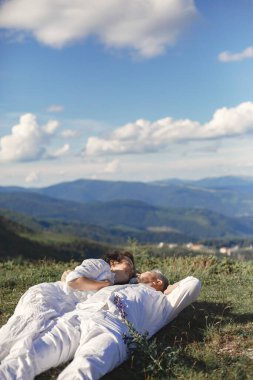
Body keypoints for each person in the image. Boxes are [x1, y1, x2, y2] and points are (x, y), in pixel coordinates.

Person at [0, 273, 201, 380]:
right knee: (32, 353)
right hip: (79, 317)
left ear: (158, 281)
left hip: (114, 330)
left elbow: (192, 283)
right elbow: (74, 283)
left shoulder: (163, 304)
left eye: (145, 273)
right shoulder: (119, 285)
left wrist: (168, 289)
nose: (139, 273)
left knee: (85, 368)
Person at [0, 251, 135, 363]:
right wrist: (104, 284)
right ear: (113, 262)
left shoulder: (122, 285)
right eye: (128, 264)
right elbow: (73, 280)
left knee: (38, 337)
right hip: (51, 296)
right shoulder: (100, 265)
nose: (131, 269)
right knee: (28, 324)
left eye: (133, 269)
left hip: (66, 308)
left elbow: (147, 280)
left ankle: (12, 364)